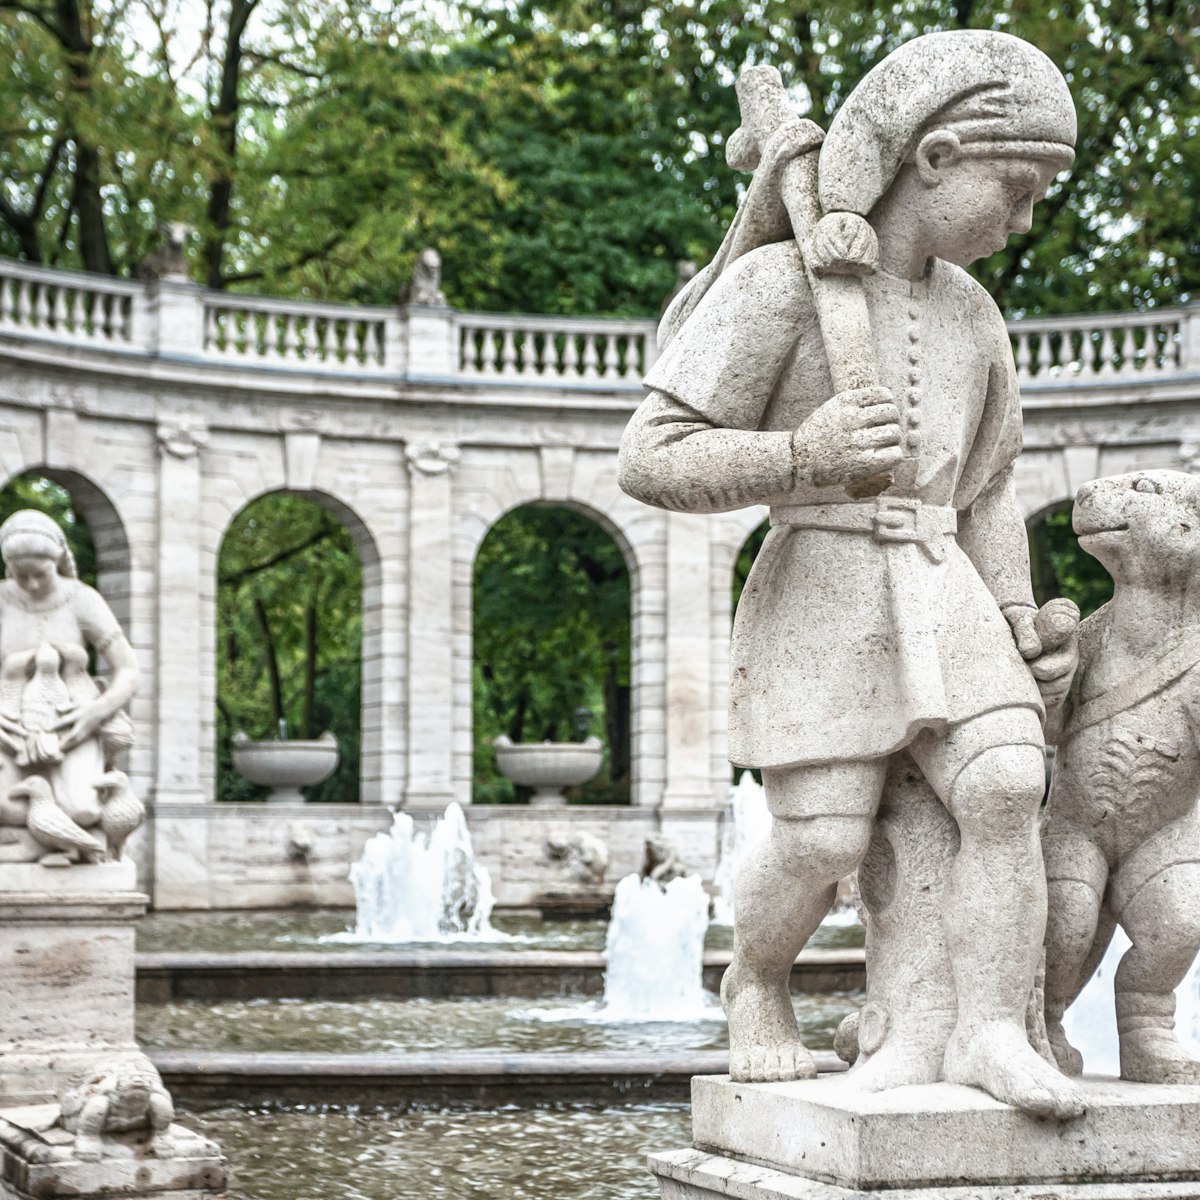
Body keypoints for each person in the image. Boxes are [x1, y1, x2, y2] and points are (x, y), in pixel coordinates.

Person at [619, 30, 1081, 1118]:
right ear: (935, 157)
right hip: (823, 580)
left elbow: (989, 489)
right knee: (823, 838)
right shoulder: (781, 286)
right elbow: (651, 454)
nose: (1021, 222)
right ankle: (756, 979)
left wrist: (1018, 612)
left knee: (1008, 785)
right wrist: (799, 456)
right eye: (1015, 190)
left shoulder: (976, 313)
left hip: (944, 580)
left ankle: (988, 1031)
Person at [0, 509, 138, 850]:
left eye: (40, 574)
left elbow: (128, 669)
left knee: (81, 810)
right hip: (9, 727)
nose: (32, 584)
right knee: (5, 805)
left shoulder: (82, 599)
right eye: (21, 575)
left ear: (59, 559)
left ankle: (52, 841)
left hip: (72, 724)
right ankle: (38, 845)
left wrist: (96, 712)